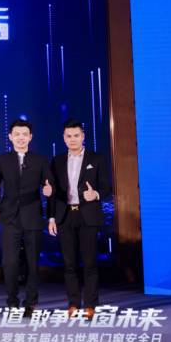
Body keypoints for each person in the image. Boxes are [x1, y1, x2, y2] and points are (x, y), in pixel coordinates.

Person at [0, 119, 53, 317]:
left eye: (24, 134)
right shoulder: (2, 159)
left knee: (32, 262)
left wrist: (49, 194)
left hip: (33, 215)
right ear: (10, 137)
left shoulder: (40, 160)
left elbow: (49, 186)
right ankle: (12, 302)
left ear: (30, 137)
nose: (21, 138)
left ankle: (31, 302)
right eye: (17, 134)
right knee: (10, 262)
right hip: (9, 216)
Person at [48, 120, 110, 320]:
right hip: (65, 215)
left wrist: (96, 194)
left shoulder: (96, 158)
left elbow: (106, 186)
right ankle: (73, 304)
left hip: (88, 214)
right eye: (68, 136)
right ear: (63, 138)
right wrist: (51, 217)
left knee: (90, 263)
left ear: (83, 136)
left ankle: (91, 305)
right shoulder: (57, 161)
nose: (72, 139)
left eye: (76, 135)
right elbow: (53, 192)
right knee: (69, 264)